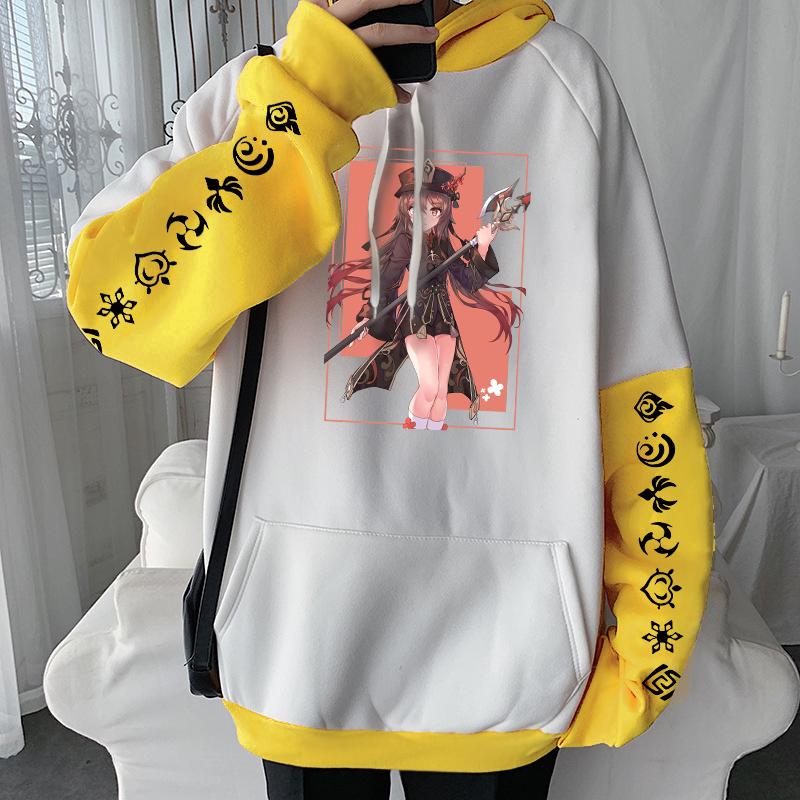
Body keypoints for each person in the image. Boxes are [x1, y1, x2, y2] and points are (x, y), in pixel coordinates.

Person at [65, 0, 715, 798]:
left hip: (508, 656)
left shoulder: (566, 83)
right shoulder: (255, 95)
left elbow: (638, 374)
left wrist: (653, 636)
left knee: (441, 373)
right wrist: (303, 106)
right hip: (300, 649)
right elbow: (110, 310)